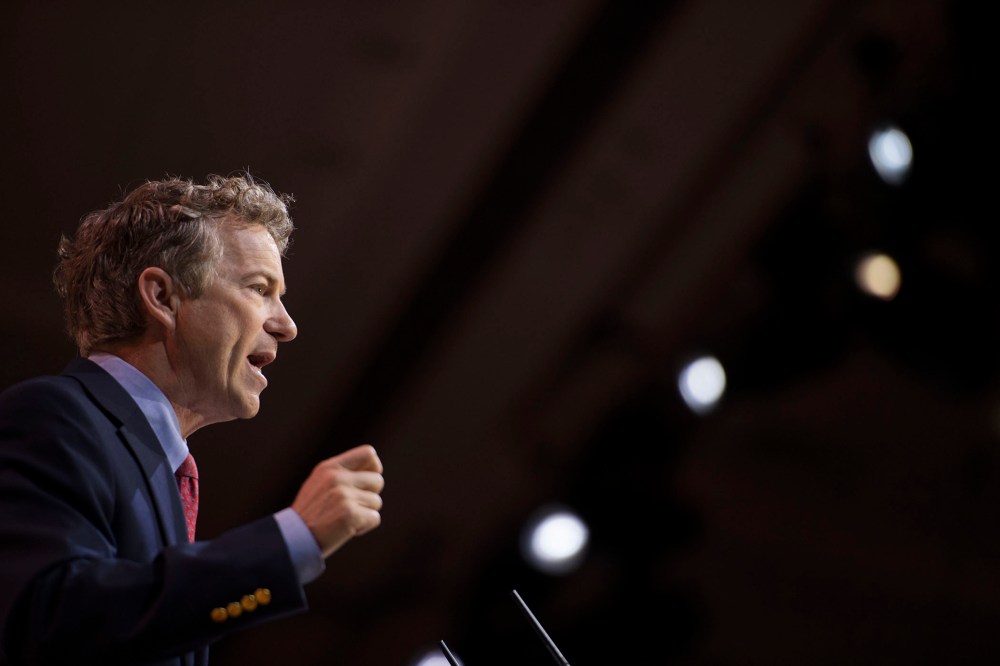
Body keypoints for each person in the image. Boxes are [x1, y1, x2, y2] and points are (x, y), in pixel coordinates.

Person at [0, 174, 385, 666]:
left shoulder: (159, 466)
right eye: (259, 288)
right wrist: (291, 540)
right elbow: (52, 621)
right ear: (163, 297)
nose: (287, 325)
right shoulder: (55, 416)